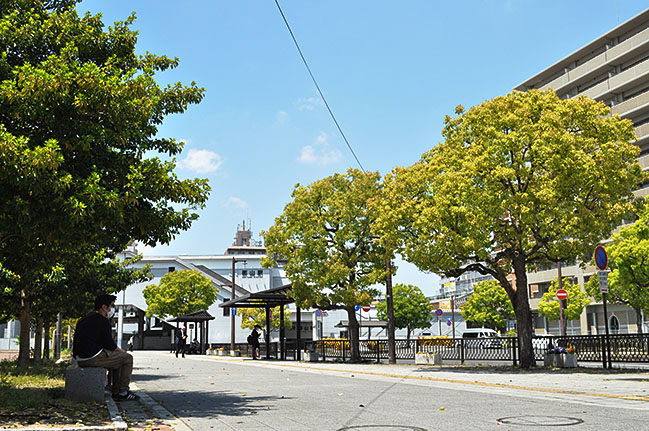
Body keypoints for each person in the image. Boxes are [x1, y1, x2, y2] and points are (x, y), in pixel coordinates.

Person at [73, 294, 139, 401]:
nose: (112, 309)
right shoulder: (103, 321)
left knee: (118, 359)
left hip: (80, 358)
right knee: (127, 358)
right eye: (112, 306)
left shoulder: (84, 319)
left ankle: (116, 390)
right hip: (92, 358)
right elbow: (109, 344)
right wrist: (122, 351)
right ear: (104, 307)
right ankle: (122, 391)